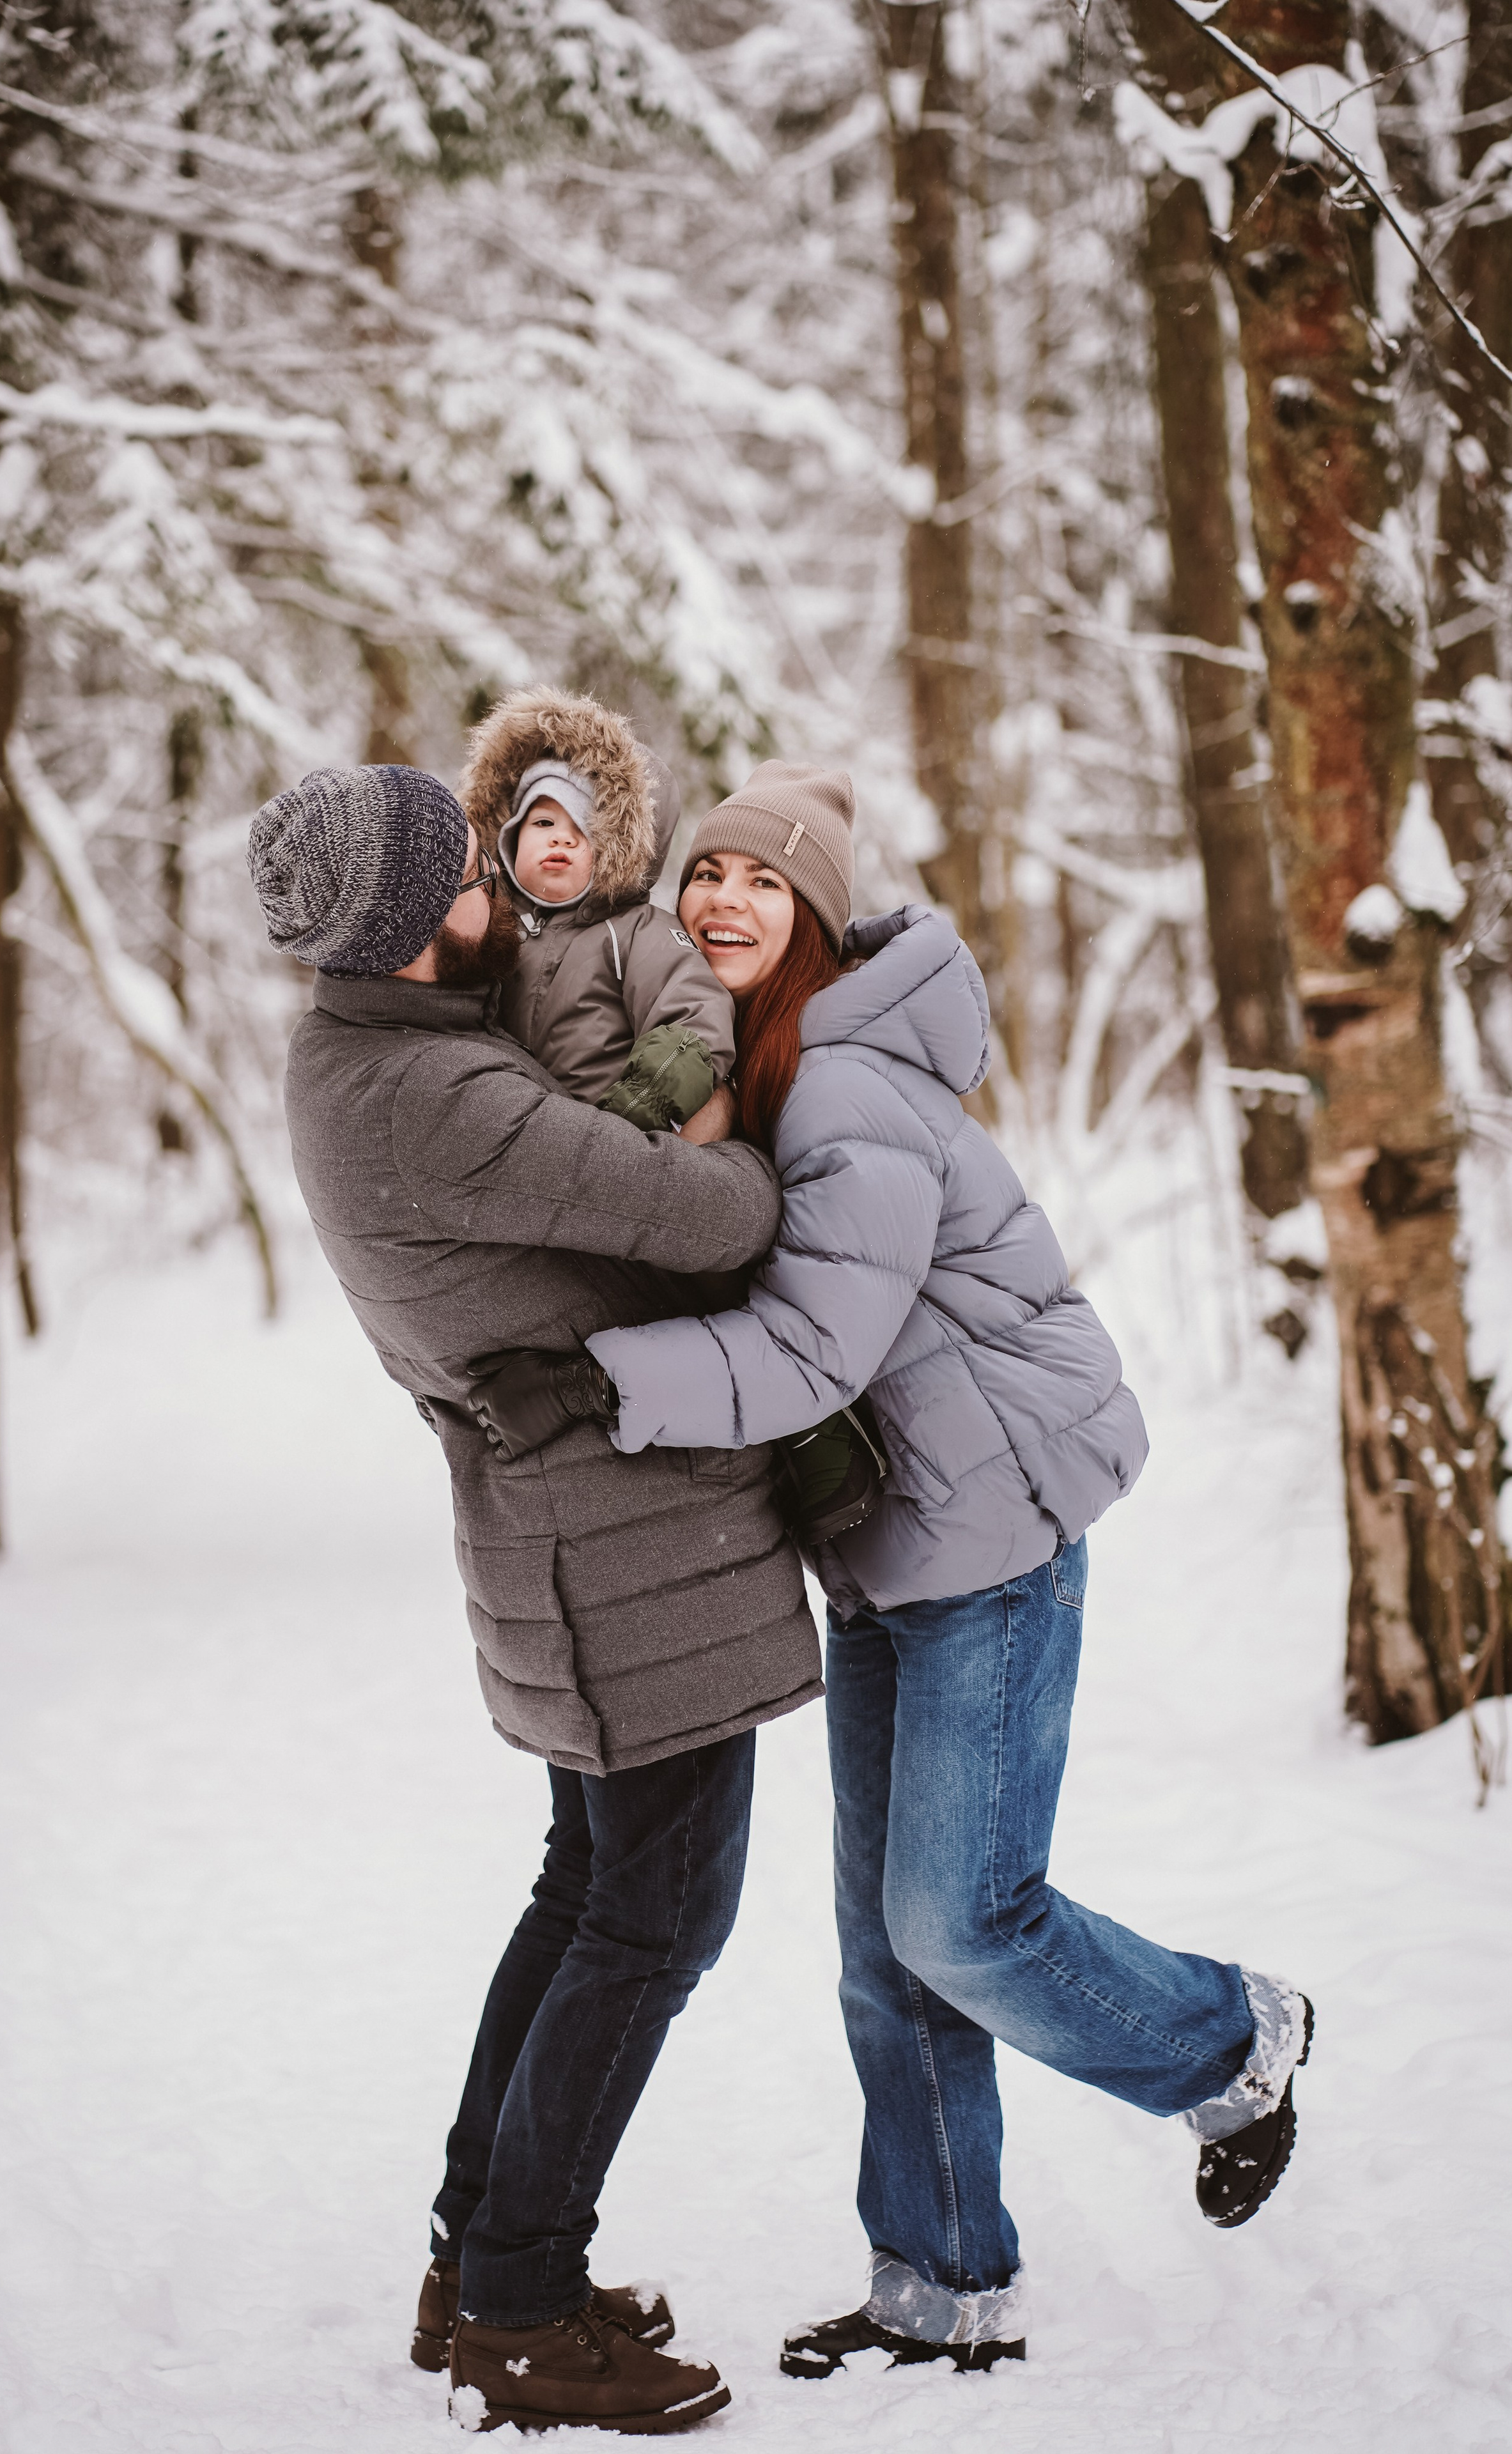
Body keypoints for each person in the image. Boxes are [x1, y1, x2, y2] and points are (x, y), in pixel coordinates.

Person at [469, 761, 1315, 2384]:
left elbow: (806, 1345)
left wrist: (600, 1381)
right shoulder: (756, 1070)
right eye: (703, 872)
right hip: (880, 1542)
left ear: (812, 918)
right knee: (882, 1939)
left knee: (959, 1919)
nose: (718, 898)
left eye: (757, 883)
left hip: (988, 1530)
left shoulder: (847, 1092)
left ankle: (1232, 2037)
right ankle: (937, 2283)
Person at [247, 761, 822, 2434]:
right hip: (624, 1552)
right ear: (426, 922)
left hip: (574, 1539)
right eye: (468, 867)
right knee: (655, 1916)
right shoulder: (446, 1100)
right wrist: (740, 1139)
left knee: (587, 1894)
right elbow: (713, 1215)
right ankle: (517, 2307)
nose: (498, 870)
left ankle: (469, 2258)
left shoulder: (369, 1049)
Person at [458, 685, 736, 1136]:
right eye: (543, 822)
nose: (561, 839)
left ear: (616, 849)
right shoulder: (487, 918)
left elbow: (695, 1016)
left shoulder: (635, 932)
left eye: (583, 829)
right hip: (505, 1129)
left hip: (602, 1131)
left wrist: (638, 1108)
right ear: (509, 838)